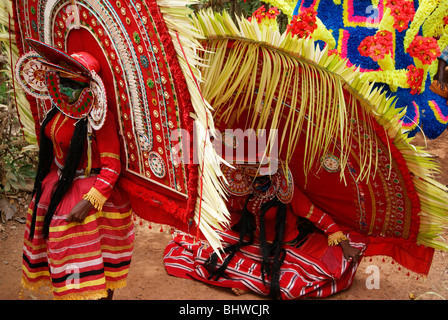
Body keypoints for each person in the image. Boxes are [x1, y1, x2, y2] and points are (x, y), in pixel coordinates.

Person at [16, 38, 134, 300]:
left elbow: (112, 166)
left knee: (95, 266)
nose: (65, 89)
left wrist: (88, 202)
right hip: (56, 189)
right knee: (63, 259)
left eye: (72, 84)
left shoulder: (100, 119)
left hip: (89, 198)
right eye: (62, 81)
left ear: (88, 87)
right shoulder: (56, 112)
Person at [164, 162, 367, 300]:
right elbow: (232, 210)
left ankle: (250, 283)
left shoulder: (287, 192)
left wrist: (343, 242)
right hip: (256, 247)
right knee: (209, 253)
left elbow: (317, 216)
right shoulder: (249, 191)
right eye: (252, 177)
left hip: (289, 249)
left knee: (291, 286)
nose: (256, 182)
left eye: (260, 177)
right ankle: (250, 282)